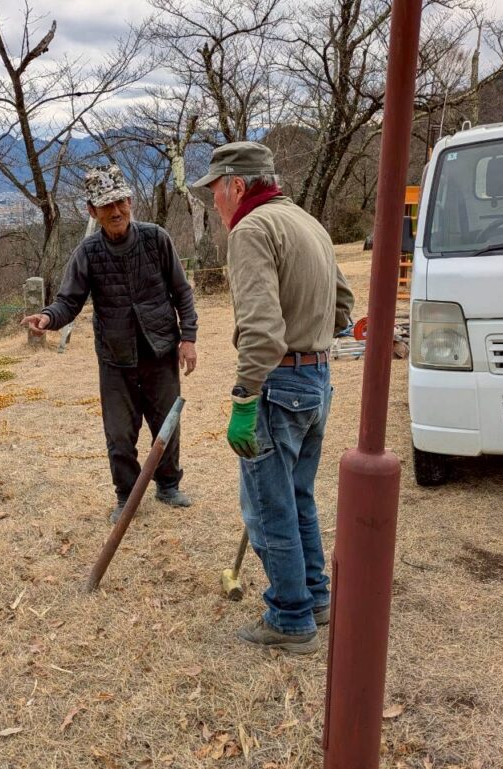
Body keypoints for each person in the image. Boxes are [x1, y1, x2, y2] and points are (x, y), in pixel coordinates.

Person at [193, 141, 355, 654]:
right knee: (298, 496)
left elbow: (262, 333)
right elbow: (344, 305)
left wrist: (244, 399)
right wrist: (312, 338)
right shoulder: (308, 224)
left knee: (268, 508)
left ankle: (290, 617)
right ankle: (316, 598)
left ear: (236, 185)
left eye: (215, 194)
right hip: (317, 380)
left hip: (278, 387)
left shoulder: (252, 230)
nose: (215, 206)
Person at [22, 164, 198, 522]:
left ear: (130, 201)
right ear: (92, 211)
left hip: (160, 349)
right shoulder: (87, 253)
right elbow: (68, 301)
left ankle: (168, 485)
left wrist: (188, 339)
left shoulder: (156, 239)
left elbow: (182, 292)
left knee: (166, 424)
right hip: (115, 358)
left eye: (120, 202)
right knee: (119, 434)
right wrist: (48, 318)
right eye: (106, 206)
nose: (115, 211)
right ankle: (126, 497)